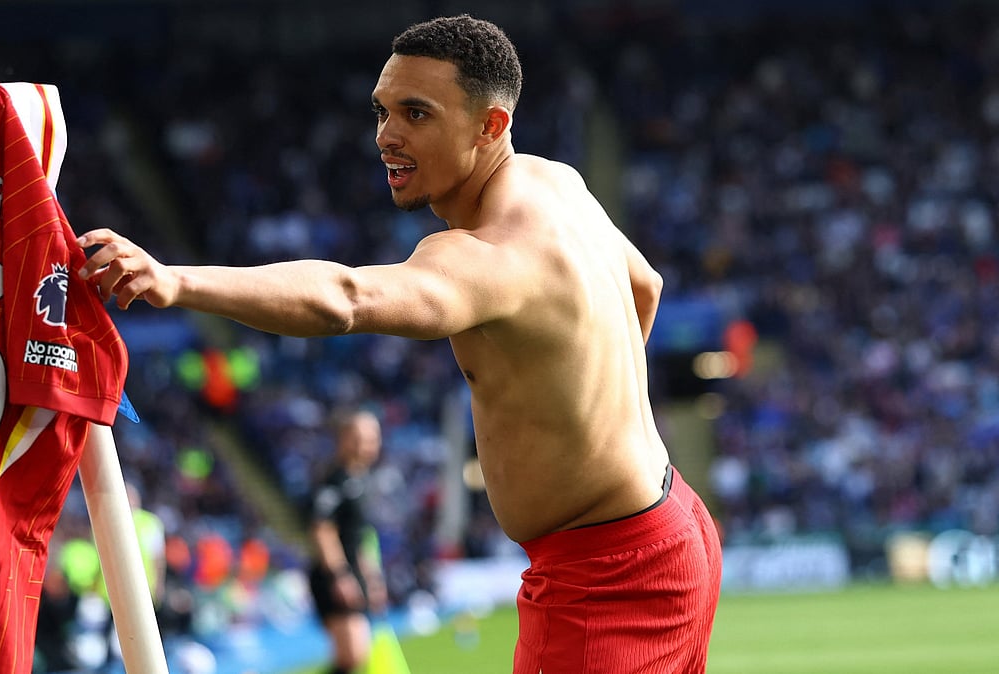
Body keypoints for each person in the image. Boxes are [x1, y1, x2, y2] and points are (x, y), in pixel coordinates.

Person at [77, 14, 722, 672]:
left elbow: (346, 298)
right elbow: (647, 284)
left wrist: (176, 279)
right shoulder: (558, 183)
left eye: (417, 114)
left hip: (607, 574)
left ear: (489, 125)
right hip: (671, 525)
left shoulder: (487, 255)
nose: (386, 136)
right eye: (382, 111)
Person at [306, 409, 388, 674]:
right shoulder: (334, 480)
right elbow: (322, 529)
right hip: (335, 575)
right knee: (351, 653)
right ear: (344, 439)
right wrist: (339, 575)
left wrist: (372, 578)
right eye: (362, 437)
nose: (370, 444)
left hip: (354, 571)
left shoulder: (361, 480)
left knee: (354, 657)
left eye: (374, 437)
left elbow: (360, 536)